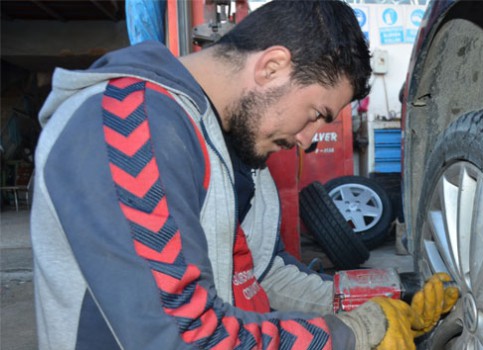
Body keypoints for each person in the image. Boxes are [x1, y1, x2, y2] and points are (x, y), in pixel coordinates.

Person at [31, 1, 457, 349]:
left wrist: (390, 301)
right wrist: (355, 332)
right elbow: (182, 338)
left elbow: (260, 278)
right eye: (315, 114)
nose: (308, 141)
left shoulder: (237, 149)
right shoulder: (130, 124)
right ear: (271, 67)